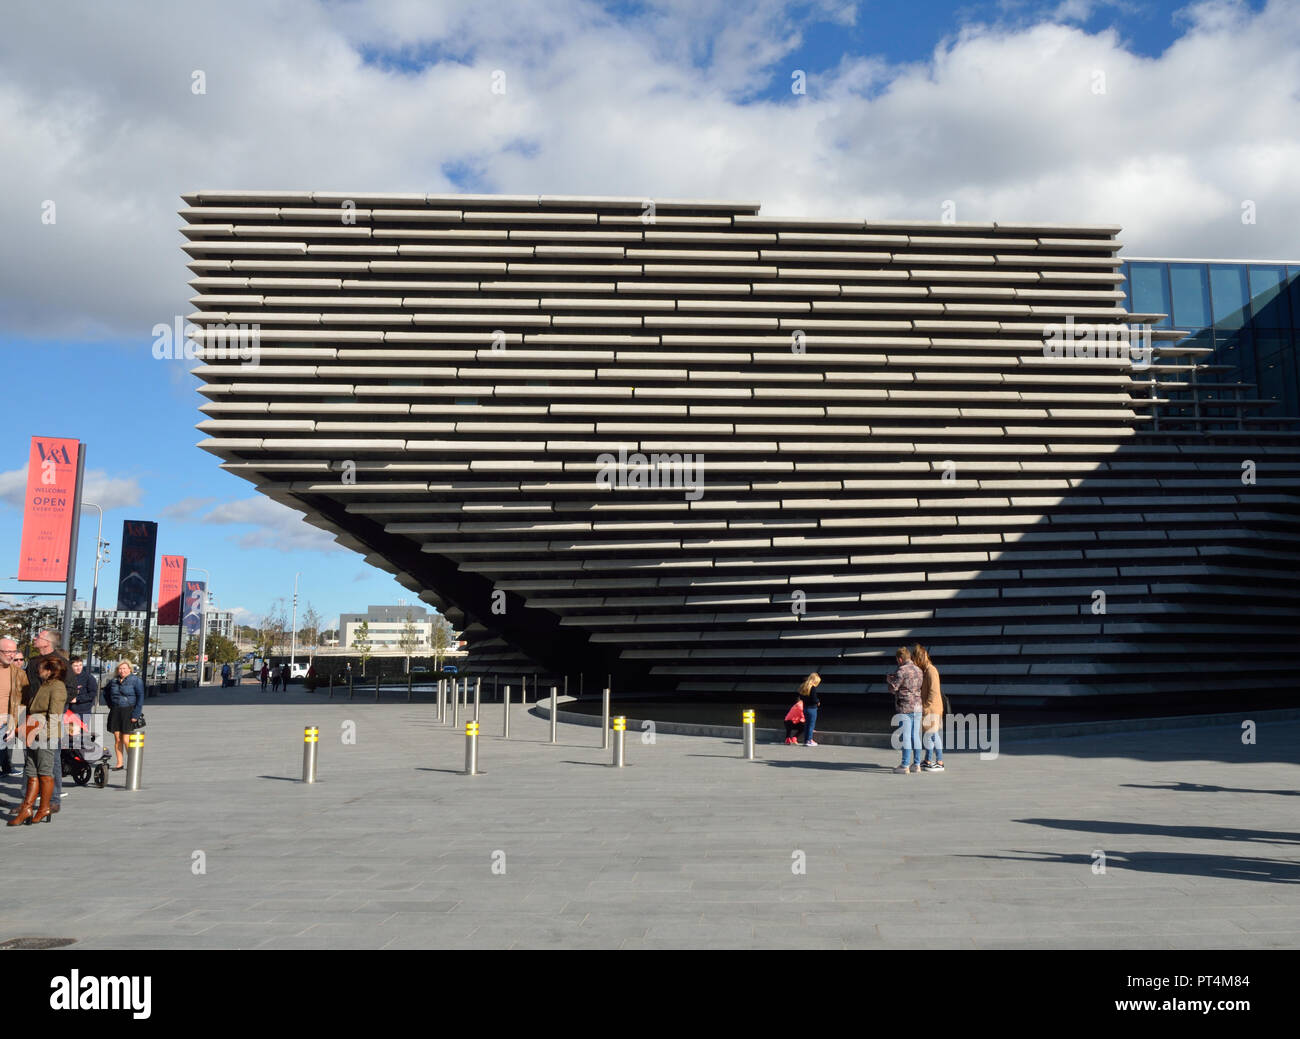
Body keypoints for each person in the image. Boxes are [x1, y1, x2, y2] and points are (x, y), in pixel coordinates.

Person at [8, 654, 67, 825]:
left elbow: (55, 715)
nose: (37, 670)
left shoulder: (57, 687)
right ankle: (27, 808)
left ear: (49, 671)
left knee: (45, 773)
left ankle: (44, 807)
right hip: (34, 731)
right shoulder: (45, 685)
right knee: (31, 772)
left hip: (45, 736)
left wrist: (41, 735)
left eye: (41, 667)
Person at [27, 630, 69, 813]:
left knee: (50, 763)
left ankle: (51, 801)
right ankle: (27, 802)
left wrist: (48, 729)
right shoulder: (33, 663)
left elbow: (71, 691)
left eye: (38, 637)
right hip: (31, 722)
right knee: (31, 765)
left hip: (46, 727)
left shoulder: (59, 666)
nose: (35, 638)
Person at [887, 646, 924, 773]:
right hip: (918, 706)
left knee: (906, 736)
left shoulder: (901, 671)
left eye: (897, 660)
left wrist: (890, 681)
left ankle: (904, 765)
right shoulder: (919, 670)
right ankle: (917, 764)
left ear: (900, 659)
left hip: (905, 707)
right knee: (916, 736)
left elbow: (894, 688)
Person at [102, 660, 145, 770]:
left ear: (130, 669)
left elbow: (140, 697)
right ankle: (119, 763)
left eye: (125, 668)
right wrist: (110, 704)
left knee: (126, 739)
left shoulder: (136, 681)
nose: (122, 671)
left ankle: (132, 761)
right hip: (116, 711)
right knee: (117, 738)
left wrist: (136, 714)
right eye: (120, 669)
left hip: (128, 711)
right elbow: (105, 692)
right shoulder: (113, 681)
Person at [1, 637, 30, 777]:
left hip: (6, 724)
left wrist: (14, 724)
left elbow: (24, 701)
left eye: (14, 651)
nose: (12, 655)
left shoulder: (20, 674)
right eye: (7, 652)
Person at [914, 644, 944, 772]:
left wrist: (925, 707)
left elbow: (933, 692)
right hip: (931, 708)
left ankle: (938, 761)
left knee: (931, 735)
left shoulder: (931, 671)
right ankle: (929, 760)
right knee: (931, 734)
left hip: (932, 708)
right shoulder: (927, 670)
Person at [795, 672, 821, 746]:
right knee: (811, 725)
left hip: (805, 708)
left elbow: (801, 697)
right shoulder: (812, 688)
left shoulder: (804, 687)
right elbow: (814, 699)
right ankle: (809, 740)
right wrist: (818, 702)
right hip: (812, 709)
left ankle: (806, 740)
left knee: (807, 725)